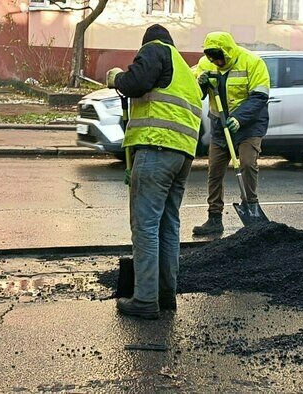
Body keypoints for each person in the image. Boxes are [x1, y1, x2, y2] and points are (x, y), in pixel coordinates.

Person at [105, 24, 202, 319]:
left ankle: (146, 300)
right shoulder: (185, 70)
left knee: (146, 226)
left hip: (156, 149)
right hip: (182, 155)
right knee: (168, 225)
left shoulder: (155, 50)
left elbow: (136, 82)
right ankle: (165, 294)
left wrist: (116, 79)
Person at [192, 32, 270, 235]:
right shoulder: (206, 64)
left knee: (246, 163)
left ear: (227, 52)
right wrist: (200, 84)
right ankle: (214, 218)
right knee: (215, 170)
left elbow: (260, 97)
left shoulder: (252, 62)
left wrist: (239, 118)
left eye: (219, 57)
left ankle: (251, 206)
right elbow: (195, 94)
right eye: (211, 58)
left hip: (248, 125)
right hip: (219, 125)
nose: (216, 62)